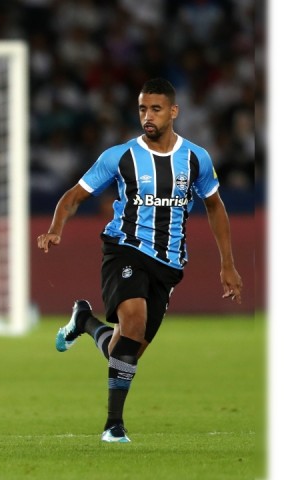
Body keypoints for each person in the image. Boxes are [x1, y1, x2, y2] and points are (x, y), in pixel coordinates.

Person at [36, 78, 243, 443]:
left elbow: (215, 206)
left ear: (174, 112)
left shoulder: (196, 158)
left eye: (156, 109)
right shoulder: (119, 156)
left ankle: (84, 321)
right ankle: (113, 426)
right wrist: (56, 228)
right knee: (133, 323)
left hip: (168, 264)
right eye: (143, 109)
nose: (147, 116)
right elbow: (73, 196)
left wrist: (227, 263)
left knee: (124, 351)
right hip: (125, 248)